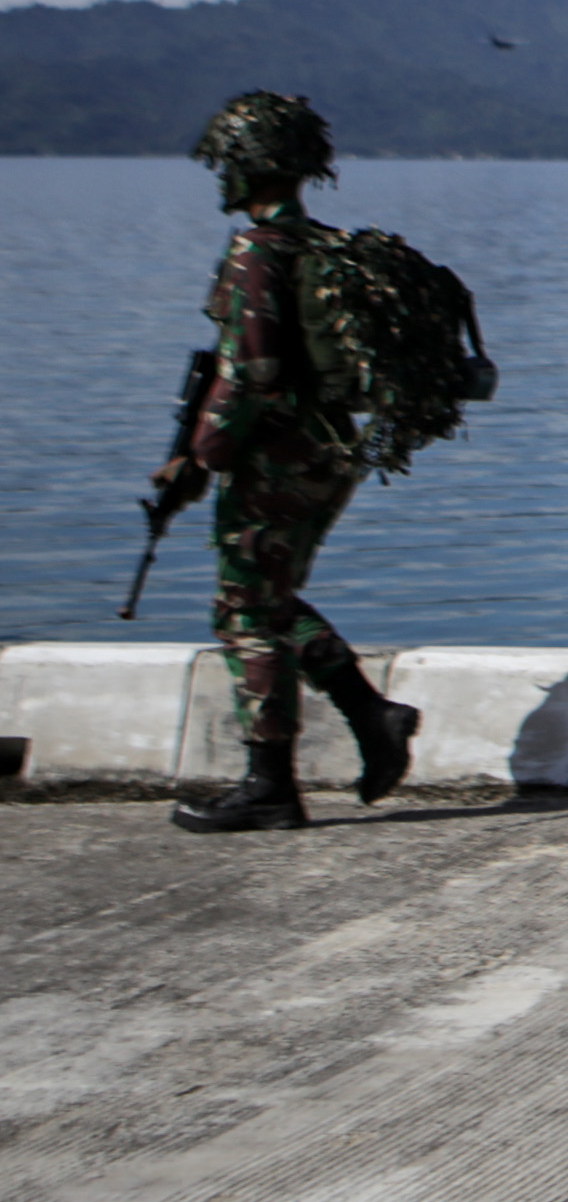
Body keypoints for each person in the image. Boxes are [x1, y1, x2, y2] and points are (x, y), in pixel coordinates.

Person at [158, 92, 418, 834]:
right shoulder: (323, 246)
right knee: (267, 602)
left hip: (276, 456)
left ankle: (271, 783)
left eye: (229, 162)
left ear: (251, 163)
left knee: (245, 610)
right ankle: (374, 715)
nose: (223, 177)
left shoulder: (257, 252)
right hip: (331, 450)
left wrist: (200, 457)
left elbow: (251, 370)